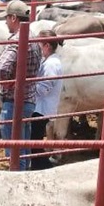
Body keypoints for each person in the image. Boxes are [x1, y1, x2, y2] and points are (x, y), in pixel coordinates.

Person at [0, 0, 40, 170]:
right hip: (29, 99)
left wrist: (6, 85)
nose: (6, 22)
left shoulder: (16, 40)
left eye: (7, 18)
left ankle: (17, 180)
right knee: (24, 147)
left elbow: (2, 66)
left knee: (14, 151)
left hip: (14, 101)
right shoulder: (34, 38)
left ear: (13, 18)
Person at [30, 31, 62, 170]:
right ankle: (41, 165)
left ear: (47, 45)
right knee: (35, 139)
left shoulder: (51, 64)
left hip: (42, 107)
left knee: (35, 140)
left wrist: (29, 85)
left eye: (39, 45)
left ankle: (42, 166)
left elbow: (45, 87)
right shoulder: (51, 61)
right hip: (43, 106)